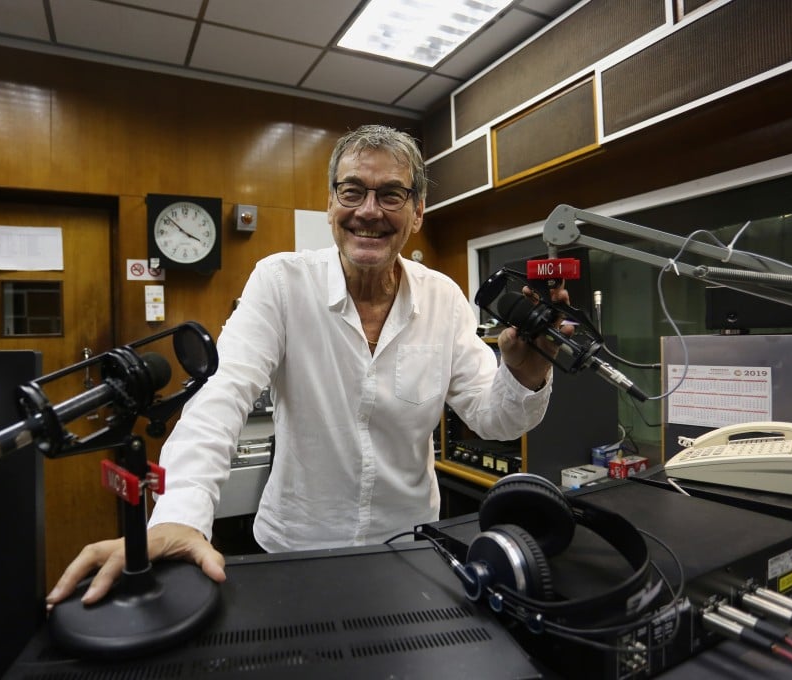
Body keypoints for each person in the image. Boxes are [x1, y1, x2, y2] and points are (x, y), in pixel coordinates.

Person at [47, 124, 567, 608]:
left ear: (417, 212)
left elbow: (496, 419)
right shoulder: (280, 283)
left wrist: (524, 371)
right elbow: (220, 396)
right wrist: (180, 517)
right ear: (330, 203)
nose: (369, 210)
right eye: (352, 191)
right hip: (297, 549)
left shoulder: (444, 299)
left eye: (391, 194)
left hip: (407, 551)